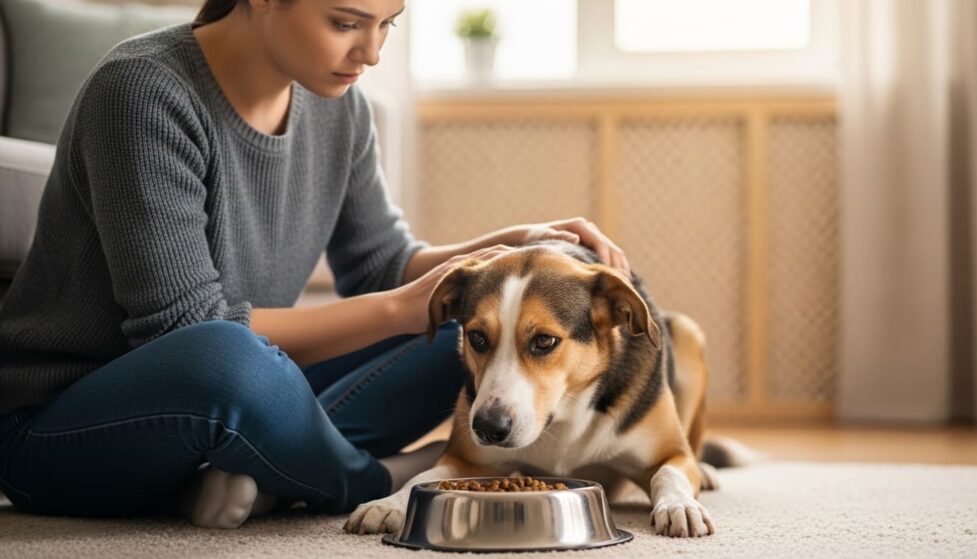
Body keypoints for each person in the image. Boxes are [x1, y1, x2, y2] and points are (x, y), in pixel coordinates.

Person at [0, 0, 631, 529]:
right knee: (230, 359)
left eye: (389, 24)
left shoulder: (340, 107)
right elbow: (183, 332)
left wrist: (509, 248)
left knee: (489, 313)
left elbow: (383, 266)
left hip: (241, 383)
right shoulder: (141, 90)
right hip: (59, 428)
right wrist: (398, 310)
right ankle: (371, 475)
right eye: (346, 22)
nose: (373, 52)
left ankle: (262, 464)